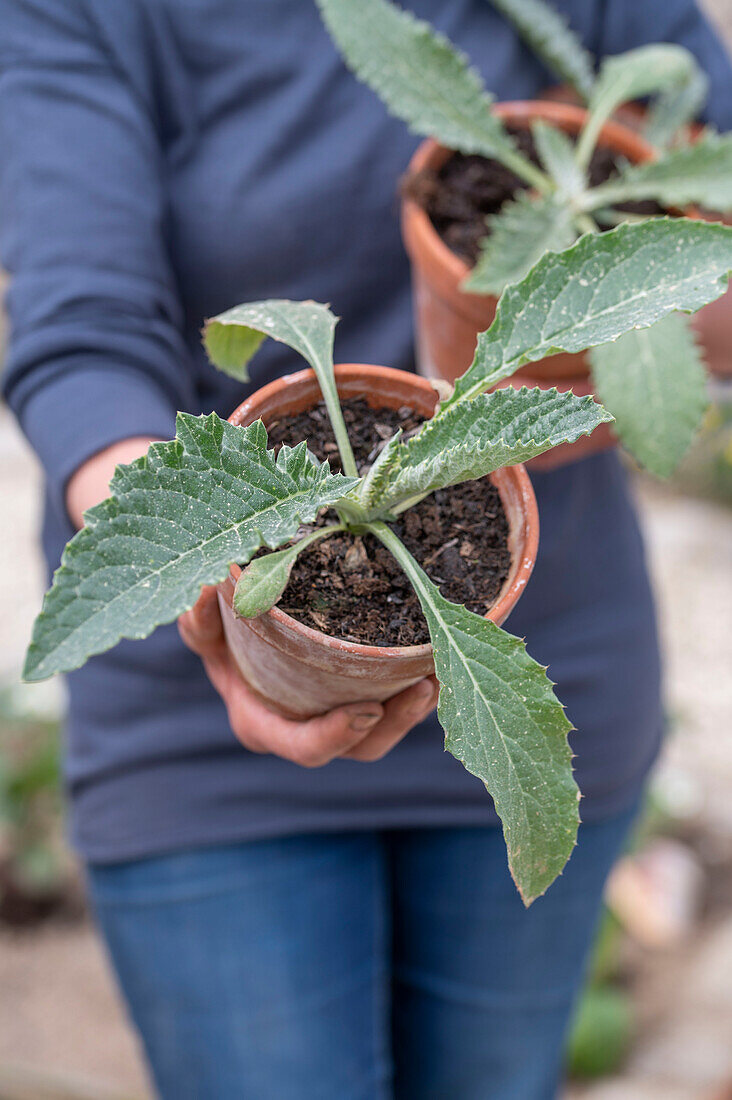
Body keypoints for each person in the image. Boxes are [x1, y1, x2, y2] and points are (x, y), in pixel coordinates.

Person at [1, 2, 730, 1097]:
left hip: (533, 645)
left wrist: (644, 314)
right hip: (203, 716)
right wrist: (198, 569)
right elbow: (84, 331)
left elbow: (703, 242)